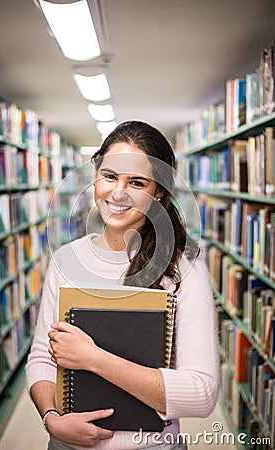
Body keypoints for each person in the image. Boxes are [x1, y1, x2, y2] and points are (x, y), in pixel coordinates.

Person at [26, 121, 220, 450]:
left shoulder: (184, 270)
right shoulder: (66, 259)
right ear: (96, 178)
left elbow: (201, 394)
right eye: (110, 176)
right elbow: (43, 357)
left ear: (158, 192)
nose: (118, 192)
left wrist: (92, 358)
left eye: (137, 182)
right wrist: (52, 419)